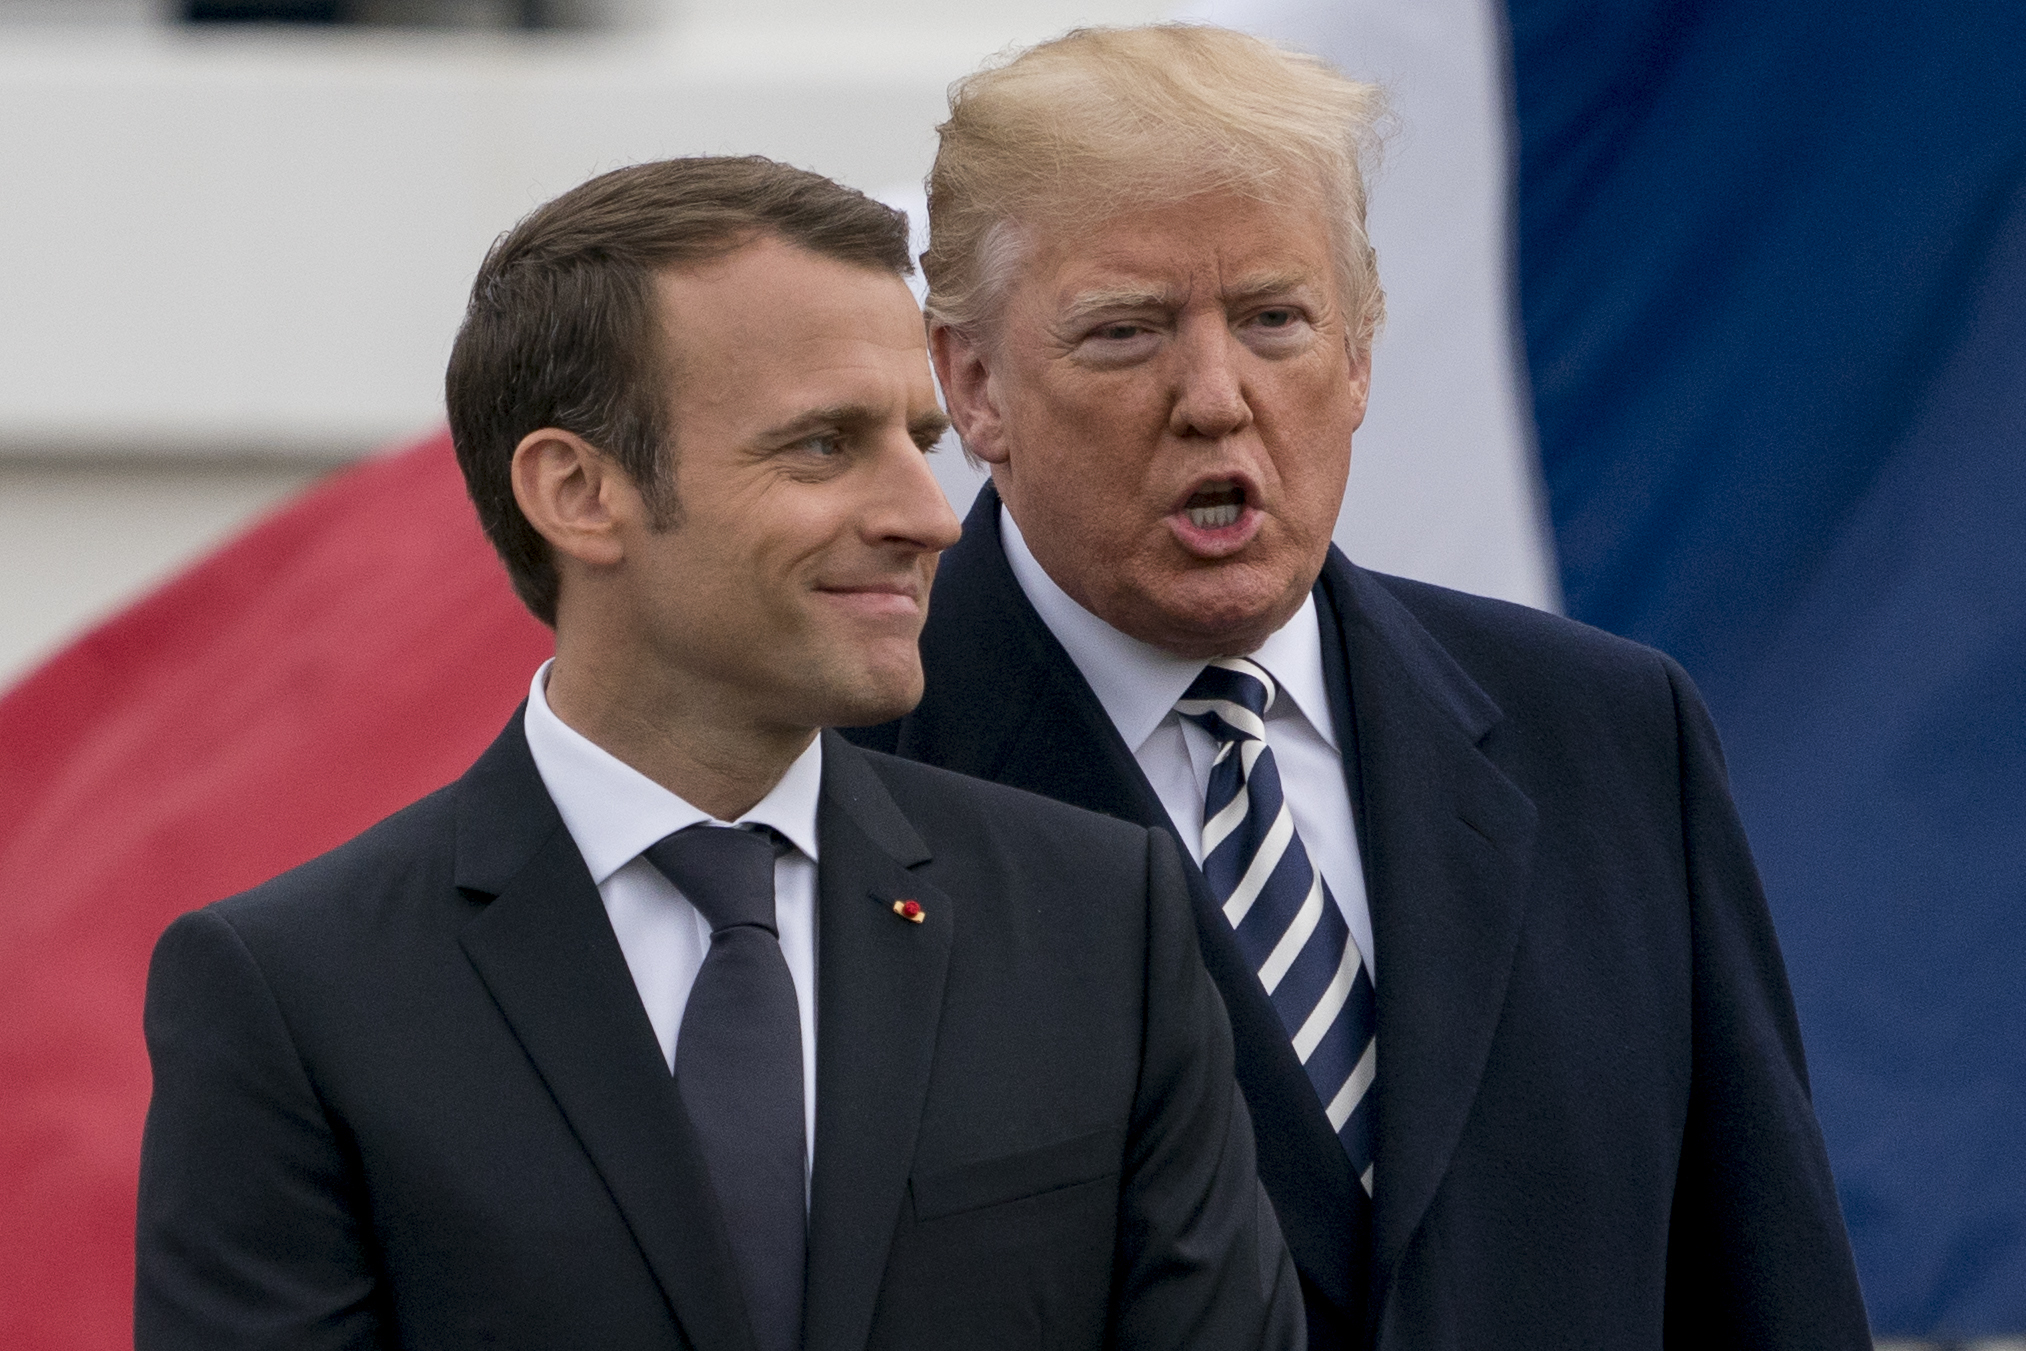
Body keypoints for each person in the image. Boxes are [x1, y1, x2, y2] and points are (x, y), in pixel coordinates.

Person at [135, 156, 1303, 1351]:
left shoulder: (1099, 922)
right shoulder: (295, 993)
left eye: (917, 439)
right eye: (821, 447)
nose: (930, 515)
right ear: (578, 491)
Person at [846, 25, 1872, 1350]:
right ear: (971, 383)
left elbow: (1765, 1285)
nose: (1215, 396)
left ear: (1360, 351)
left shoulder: (1613, 736)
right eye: (1124, 331)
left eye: (1274, 318)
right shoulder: (832, 781)